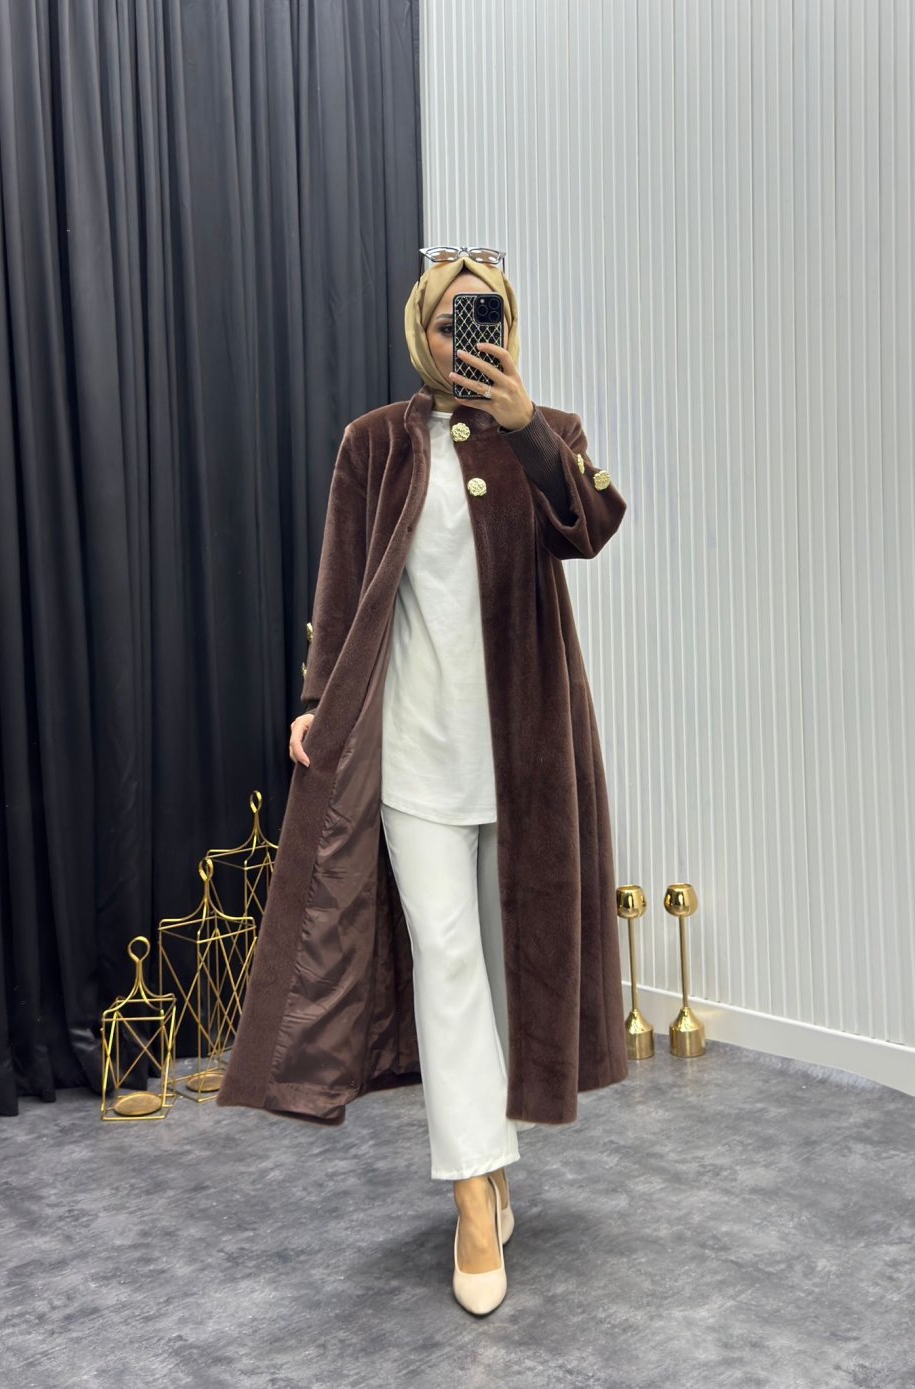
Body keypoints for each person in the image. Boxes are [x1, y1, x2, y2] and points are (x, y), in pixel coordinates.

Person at [277, 249, 626, 1316]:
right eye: (451, 321)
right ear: (419, 330)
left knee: (510, 975)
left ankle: (491, 1157)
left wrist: (525, 428)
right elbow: (342, 585)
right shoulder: (373, 443)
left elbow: (593, 528)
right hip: (413, 760)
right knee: (446, 965)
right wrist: (318, 696)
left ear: (508, 330)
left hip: (524, 760)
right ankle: (474, 1200)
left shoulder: (549, 431)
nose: (469, 338)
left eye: (489, 319)